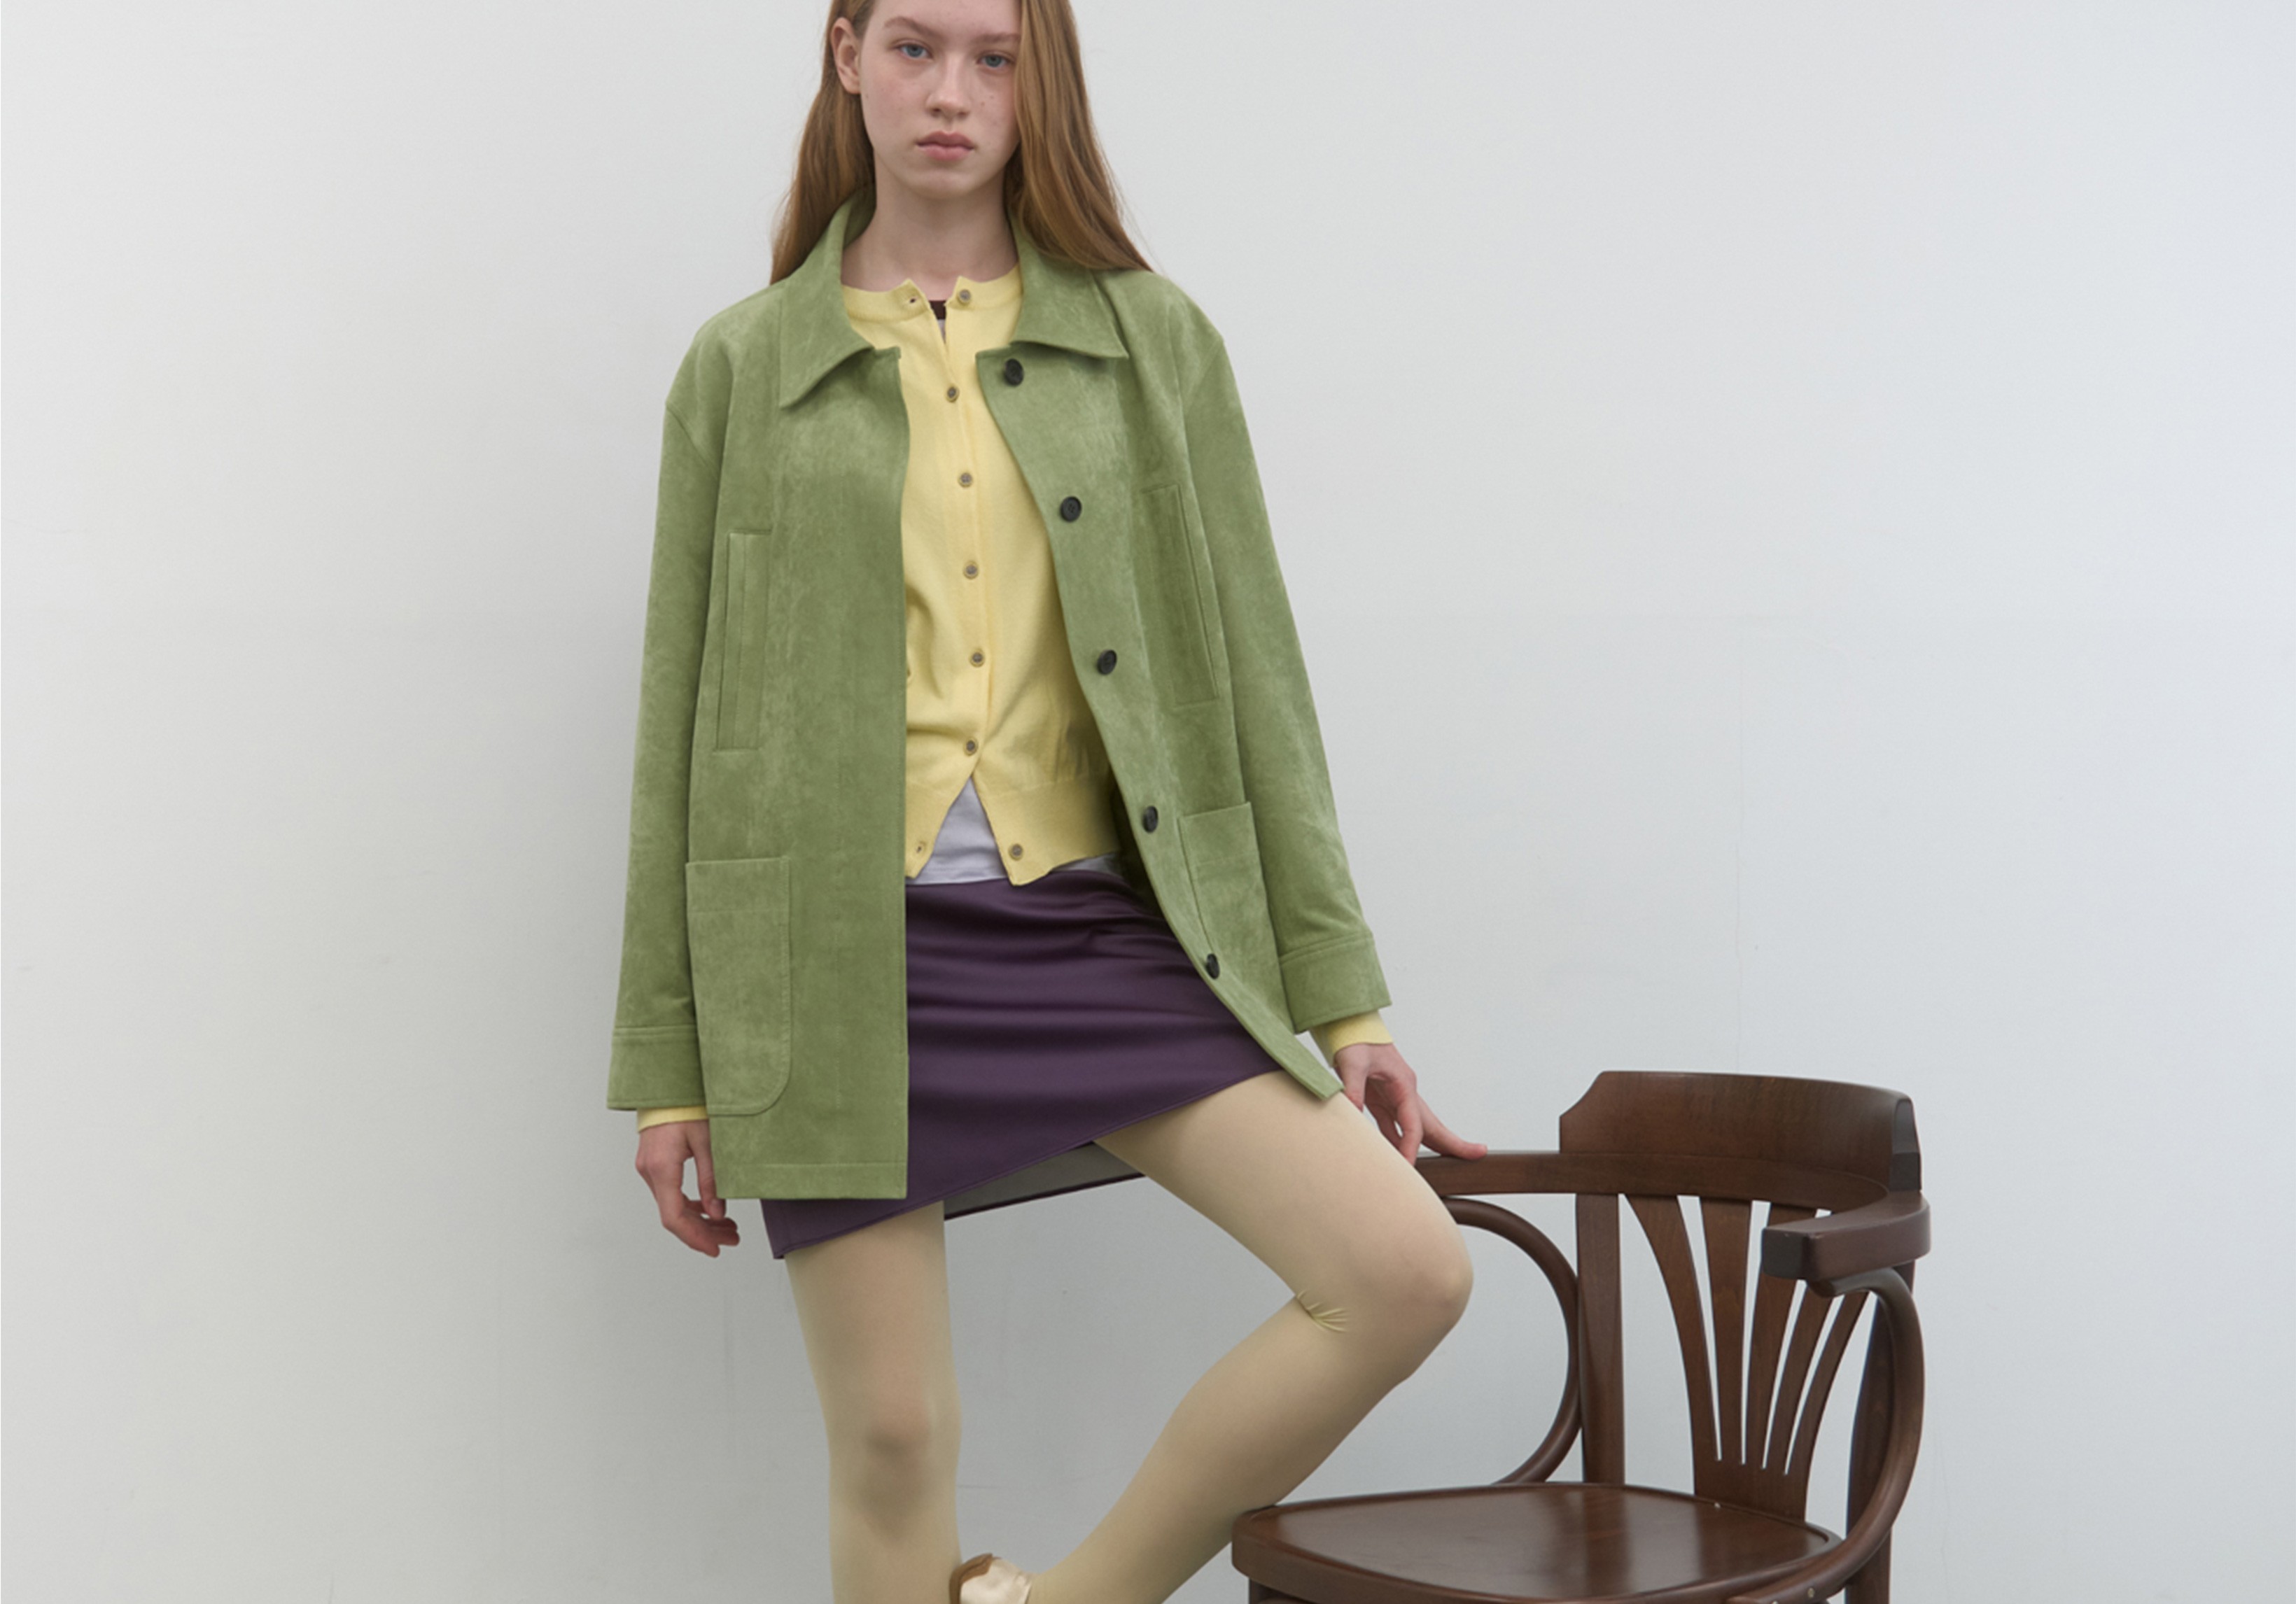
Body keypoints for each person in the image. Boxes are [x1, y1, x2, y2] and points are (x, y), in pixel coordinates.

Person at [607, 2, 1489, 1600]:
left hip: (1092, 929)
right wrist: (670, 1072)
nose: (951, 92)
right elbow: (683, 728)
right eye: (915, 49)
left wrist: (1342, 997)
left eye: (995, 58)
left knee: (1400, 1273)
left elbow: (1256, 679)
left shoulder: (1152, 343)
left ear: (1039, 83)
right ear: (846, 56)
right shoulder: (742, 367)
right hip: (832, 963)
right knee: (893, 1439)